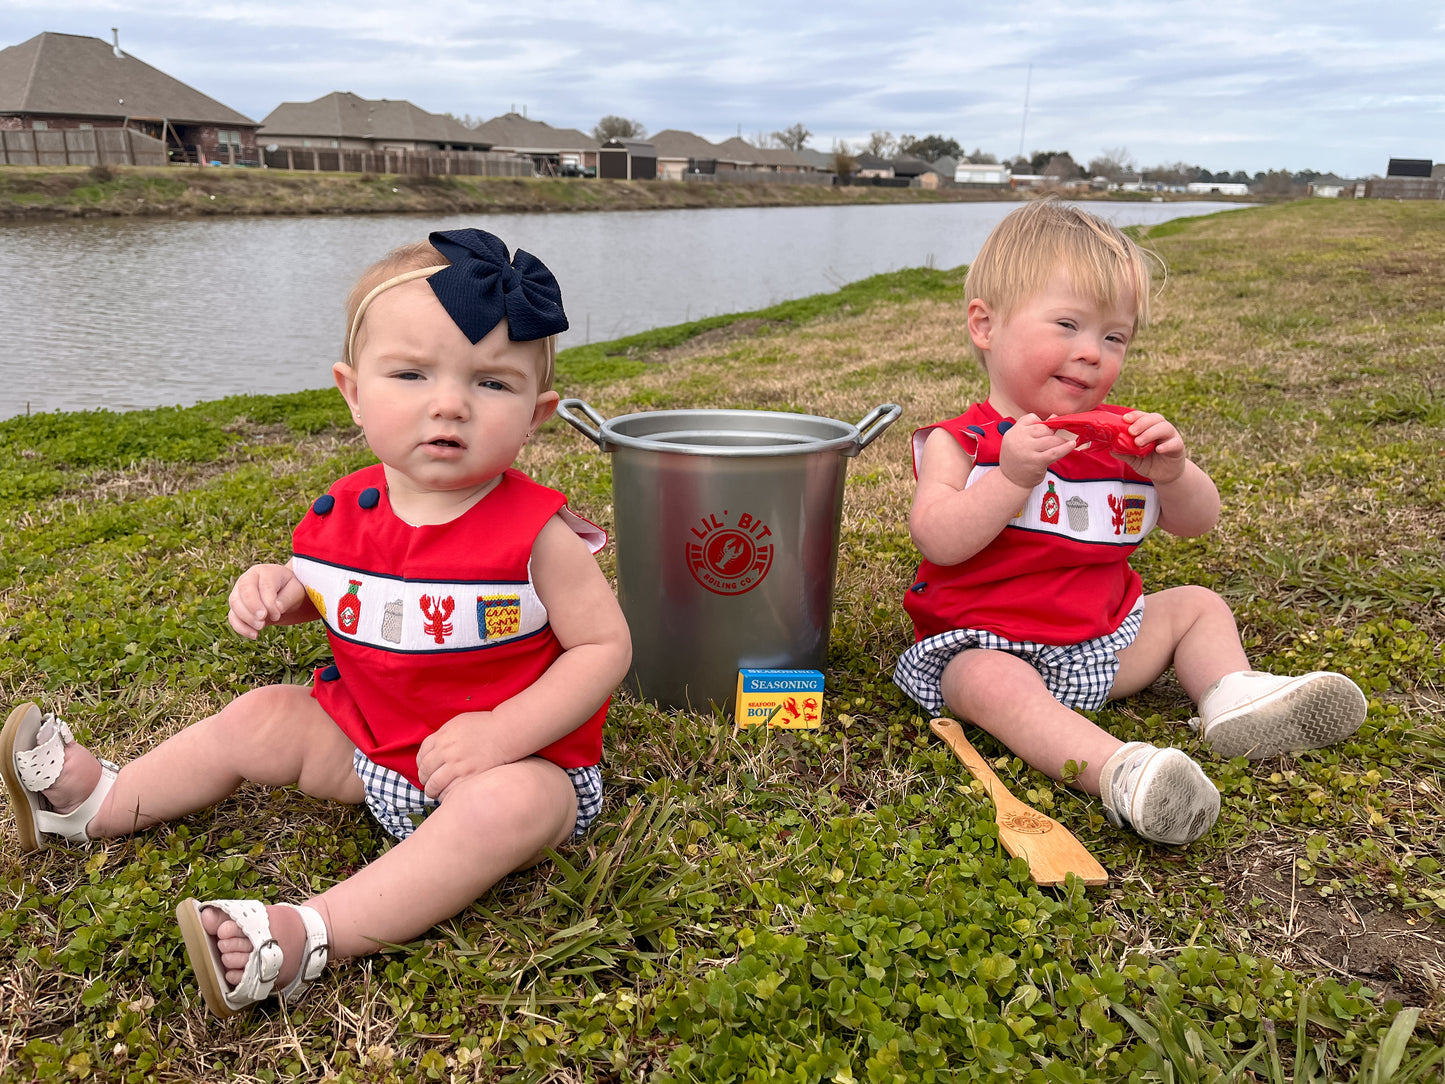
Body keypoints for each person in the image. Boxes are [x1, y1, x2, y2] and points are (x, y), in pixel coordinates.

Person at [1, 228, 632, 1017]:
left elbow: (603, 647)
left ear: (536, 415)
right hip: (373, 751)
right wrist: (274, 588)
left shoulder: (537, 533)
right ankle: (98, 806)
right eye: (410, 373)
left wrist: (503, 735)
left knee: (508, 809)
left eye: (491, 383)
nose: (449, 403)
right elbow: (332, 590)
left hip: (517, 767)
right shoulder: (347, 507)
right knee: (265, 714)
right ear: (352, 391)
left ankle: (307, 936)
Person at [893, 200, 1365, 847]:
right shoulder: (962, 442)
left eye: (1113, 337)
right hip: (993, 645)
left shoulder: (1119, 441)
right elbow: (938, 540)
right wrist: (1010, 477)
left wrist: (1170, 472)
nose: (1091, 354)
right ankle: (1121, 771)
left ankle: (1231, 699)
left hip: (1105, 646)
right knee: (979, 679)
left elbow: (1198, 522)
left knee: (1196, 604)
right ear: (985, 325)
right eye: (1067, 324)